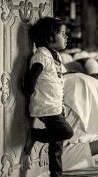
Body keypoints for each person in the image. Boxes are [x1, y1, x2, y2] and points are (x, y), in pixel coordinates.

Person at [23, 17, 74, 177]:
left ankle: (55, 174)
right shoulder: (42, 55)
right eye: (62, 33)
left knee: (57, 143)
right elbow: (31, 81)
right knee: (67, 132)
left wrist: (61, 104)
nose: (66, 37)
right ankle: (35, 134)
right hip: (46, 105)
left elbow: (56, 82)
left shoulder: (55, 55)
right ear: (48, 37)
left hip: (55, 105)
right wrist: (31, 94)